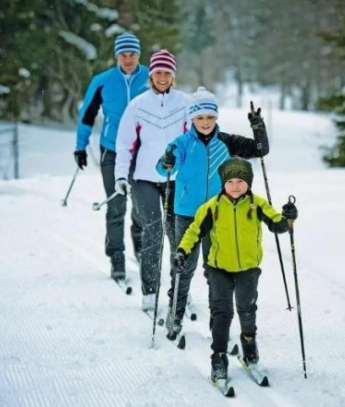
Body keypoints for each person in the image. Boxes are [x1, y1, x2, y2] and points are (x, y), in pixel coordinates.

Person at [156, 87, 269, 340]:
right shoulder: (181, 143)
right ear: (192, 119)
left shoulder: (227, 141)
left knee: (215, 271)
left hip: (219, 215)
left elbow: (261, 149)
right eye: (199, 117)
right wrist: (166, 161)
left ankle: (217, 323)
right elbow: (162, 168)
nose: (205, 122)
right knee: (183, 266)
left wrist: (258, 127)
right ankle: (175, 315)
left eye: (210, 117)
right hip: (187, 214)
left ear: (216, 117)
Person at [172, 157, 298, 383]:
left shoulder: (257, 204)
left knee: (246, 310)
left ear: (248, 183)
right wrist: (182, 251)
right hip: (218, 269)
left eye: (241, 181)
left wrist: (288, 219)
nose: (236, 186)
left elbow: (277, 224)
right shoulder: (211, 207)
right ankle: (218, 359)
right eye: (230, 182)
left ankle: (250, 351)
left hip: (248, 269)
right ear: (223, 183)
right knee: (222, 313)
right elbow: (193, 231)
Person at [114, 49, 189, 311]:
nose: (162, 77)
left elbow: (194, 141)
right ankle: (150, 290)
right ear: (151, 75)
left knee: (177, 233)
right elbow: (124, 144)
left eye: (167, 72)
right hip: (144, 178)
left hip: (175, 178)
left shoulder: (185, 103)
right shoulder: (137, 105)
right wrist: (120, 175)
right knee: (153, 229)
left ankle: (179, 288)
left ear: (173, 75)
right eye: (158, 72)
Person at [74, 33, 149, 279]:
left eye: (132, 54)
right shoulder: (103, 81)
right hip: (112, 150)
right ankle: (116, 254)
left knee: (141, 203)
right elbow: (87, 114)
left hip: (143, 151)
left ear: (139, 55)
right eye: (123, 55)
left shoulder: (151, 77)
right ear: (117, 56)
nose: (128, 59)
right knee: (116, 204)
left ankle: (140, 242)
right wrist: (80, 146)